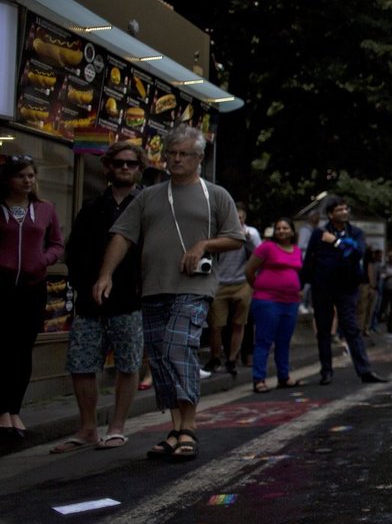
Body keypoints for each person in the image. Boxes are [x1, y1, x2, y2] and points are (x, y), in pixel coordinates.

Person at [94, 126, 244, 460]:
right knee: (161, 359)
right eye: (171, 153)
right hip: (153, 288)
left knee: (179, 349)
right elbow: (122, 236)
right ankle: (175, 429)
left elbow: (236, 237)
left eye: (184, 154)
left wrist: (204, 243)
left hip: (194, 287)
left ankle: (189, 427)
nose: (175, 159)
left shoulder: (215, 195)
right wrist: (106, 274)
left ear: (199, 158)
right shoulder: (148, 196)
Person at [53, 143, 146, 453]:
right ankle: (88, 428)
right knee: (81, 363)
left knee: (128, 363)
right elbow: (74, 251)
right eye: (118, 163)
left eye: (130, 164)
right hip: (90, 300)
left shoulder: (146, 205)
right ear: (107, 167)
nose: (124, 168)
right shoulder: (92, 207)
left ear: (139, 168)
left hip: (130, 300)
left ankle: (117, 426)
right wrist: (82, 285)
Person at [1, 154, 64, 444]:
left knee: (22, 351)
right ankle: (2, 411)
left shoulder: (45, 209)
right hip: (2, 288)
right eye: (20, 175)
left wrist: (44, 260)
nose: (27, 180)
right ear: (8, 179)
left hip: (32, 288)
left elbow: (57, 244)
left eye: (31, 175)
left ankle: (15, 410)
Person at [300, 196, 385, 385]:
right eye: (340, 209)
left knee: (351, 328)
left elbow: (357, 253)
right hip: (323, 287)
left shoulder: (355, 233)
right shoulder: (319, 233)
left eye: (346, 209)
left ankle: (365, 370)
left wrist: (337, 242)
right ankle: (326, 371)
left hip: (347, 286)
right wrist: (302, 283)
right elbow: (309, 261)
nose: (344, 212)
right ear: (331, 214)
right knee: (324, 330)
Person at [244, 217, 304, 392]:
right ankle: (259, 379)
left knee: (284, 340)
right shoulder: (266, 247)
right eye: (278, 228)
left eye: (285, 228)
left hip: (290, 302)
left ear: (292, 231)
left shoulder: (296, 250)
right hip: (267, 300)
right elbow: (249, 270)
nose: (282, 231)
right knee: (263, 340)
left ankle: (284, 376)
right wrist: (260, 287)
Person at [204, 202, 261, 377]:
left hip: (241, 282)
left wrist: (247, 238)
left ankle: (232, 358)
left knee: (239, 323)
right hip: (220, 283)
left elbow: (259, 253)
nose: (237, 221)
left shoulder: (251, 233)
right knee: (216, 324)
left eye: (240, 218)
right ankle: (215, 358)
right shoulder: (218, 233)